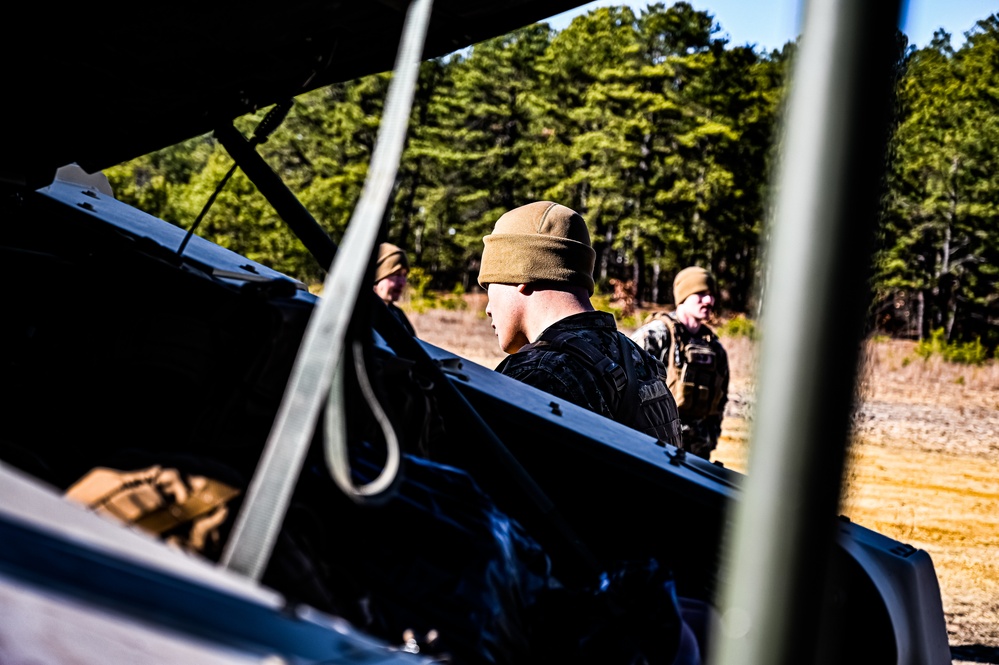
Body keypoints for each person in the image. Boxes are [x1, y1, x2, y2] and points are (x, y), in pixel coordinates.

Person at [477, 201, 681, 447]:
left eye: (489, 286)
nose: (488, 308)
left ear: (522, 275)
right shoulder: (640, 362)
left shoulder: (537, 376)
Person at [630, 266, 729, 461]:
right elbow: (627, 390)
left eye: (711, 295)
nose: (709, 301)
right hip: (655, 450)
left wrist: (709, 440)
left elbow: (720, 402)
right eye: (700, 294)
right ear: (683, 297)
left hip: (697, 455)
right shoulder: (655, 335)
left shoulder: (714, 348)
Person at [373, 242, 416, 336]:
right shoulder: (359, 315)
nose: (402, 283)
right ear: (376, 278)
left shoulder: (397, 315)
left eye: (405, 275)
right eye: (396, 274)